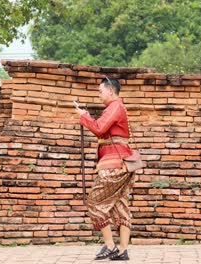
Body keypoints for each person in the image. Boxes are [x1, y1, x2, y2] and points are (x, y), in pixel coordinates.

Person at [76, 77, 135, 261]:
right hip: (124, 163)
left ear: (110, 91)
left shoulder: (115, 107)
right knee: (120, 204)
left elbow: (100, 128)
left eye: (100, 91)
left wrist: (84, 116)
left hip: (114, 164)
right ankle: (123, 250)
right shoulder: (116, 107)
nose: (99, 94)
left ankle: (110, 245)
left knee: (94, 201)